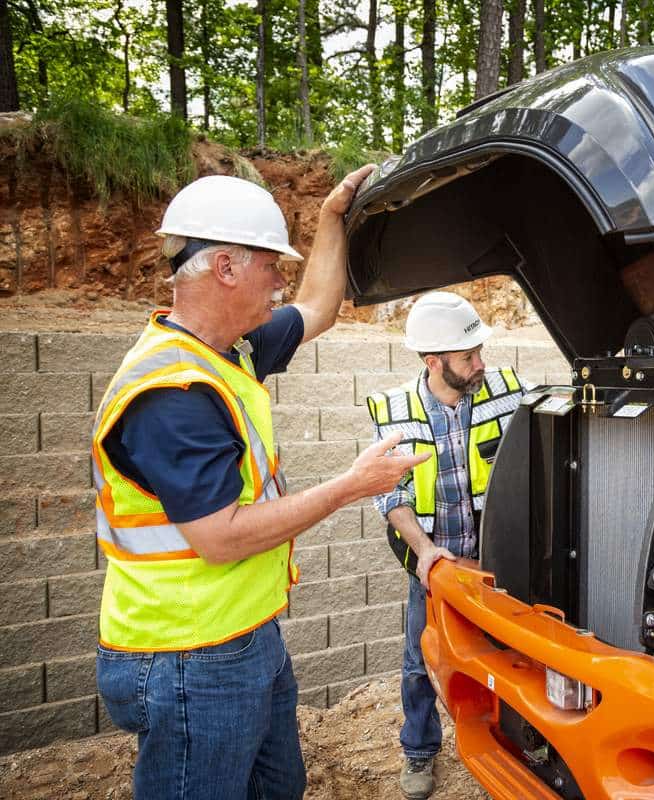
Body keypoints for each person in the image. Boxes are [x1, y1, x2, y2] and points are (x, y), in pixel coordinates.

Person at [92, 167, 429, 800]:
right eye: (271, 266)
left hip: (244, 637)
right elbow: (220, 538)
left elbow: (318, 306)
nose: (280, 283)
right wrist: (354, 485)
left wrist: (331, 217)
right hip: (187, 657)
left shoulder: (229, 350)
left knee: (279, 786)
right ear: (224, 268)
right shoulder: (173, 394)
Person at [365, 291, 526, 800]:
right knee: (420, 661)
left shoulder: (506, 391)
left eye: (480, 351)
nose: (480, 363)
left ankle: (516, 746)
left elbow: (529, 465)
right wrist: (425, 552)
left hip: (496, 565)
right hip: (435, 565)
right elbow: (389, 494)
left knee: (513, 658)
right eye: (467, 357)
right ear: (433, 361)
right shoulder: (395, 409)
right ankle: (419, 752)